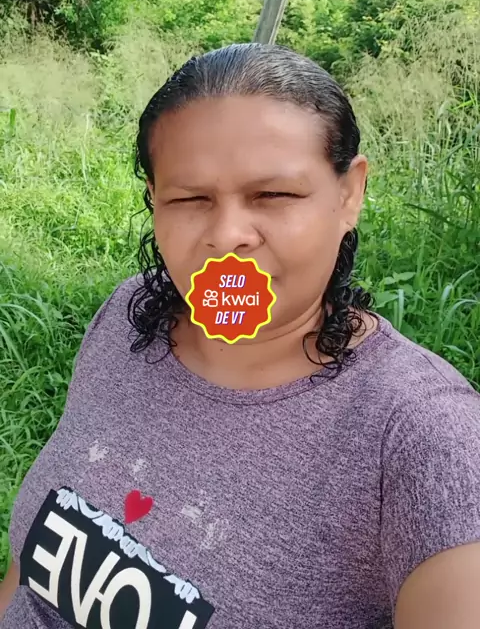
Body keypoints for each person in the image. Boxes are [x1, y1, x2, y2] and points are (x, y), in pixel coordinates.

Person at [1, 42, 480, 629]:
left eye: (273, 195)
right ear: (154, 200)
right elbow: (28, 573)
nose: (227, 235)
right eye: (190, 198)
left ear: (349, 193)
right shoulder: (129, 315)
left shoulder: (424, 436)